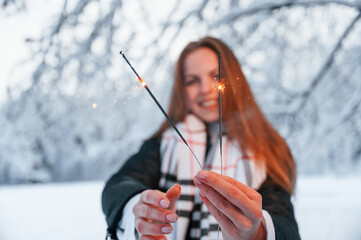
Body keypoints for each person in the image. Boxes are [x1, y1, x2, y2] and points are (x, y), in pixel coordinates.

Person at [102, 36, 300, 240]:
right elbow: (120, 184)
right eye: (192, 81)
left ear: (233, 80)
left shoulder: (266, 149)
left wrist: (257, 232)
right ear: (182, 91)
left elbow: (285, 222)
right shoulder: (164, 144)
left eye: (216, 76)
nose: (205, 89)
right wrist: (141, 209)